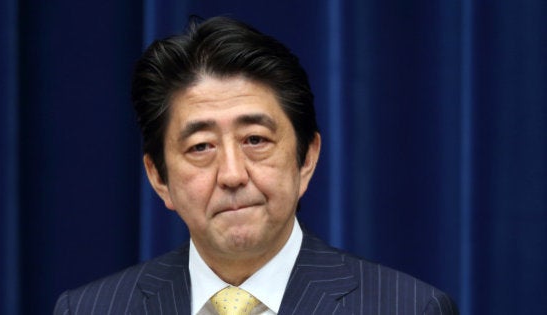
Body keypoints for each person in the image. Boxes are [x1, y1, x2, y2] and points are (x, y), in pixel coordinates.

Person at [54, 16, 457, 314]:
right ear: (159, 177)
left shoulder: (409, 308)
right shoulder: (91, 309)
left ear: (306, 159)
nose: (232, 174)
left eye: (255, 140)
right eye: (201, 147)